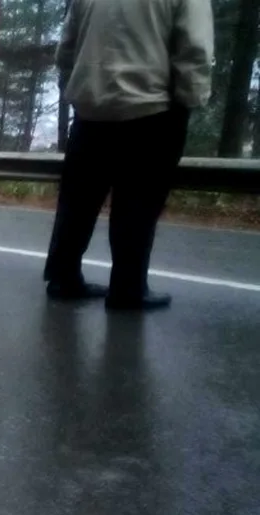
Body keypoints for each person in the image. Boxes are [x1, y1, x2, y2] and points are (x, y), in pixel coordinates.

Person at [42, 0, 214, 310]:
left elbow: (66, 48)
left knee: (77, 201)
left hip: (91, 109)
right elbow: (194, 48)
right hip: (151, 108)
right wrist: (188, 99)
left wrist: (76, 88)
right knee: (138, 204)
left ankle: (63, 277)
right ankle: (127, 288)